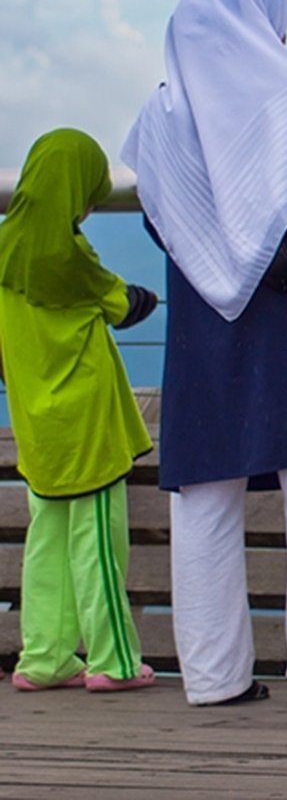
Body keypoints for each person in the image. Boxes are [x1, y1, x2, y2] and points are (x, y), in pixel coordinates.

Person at [122, 0, 287, 708]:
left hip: (206, 325)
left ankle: (213, 677)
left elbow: (162, 222)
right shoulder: (282, 94)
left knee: (204, 497)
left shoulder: (158, 117)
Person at [0, 128, 158, 693]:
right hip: (88, 425)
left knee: (46, 544)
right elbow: (125, 305)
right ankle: (114, 662)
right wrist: (144, 295)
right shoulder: (71, 257)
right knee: (99, 548)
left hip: (36, 424)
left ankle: (43, 658)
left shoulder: (5, 249)